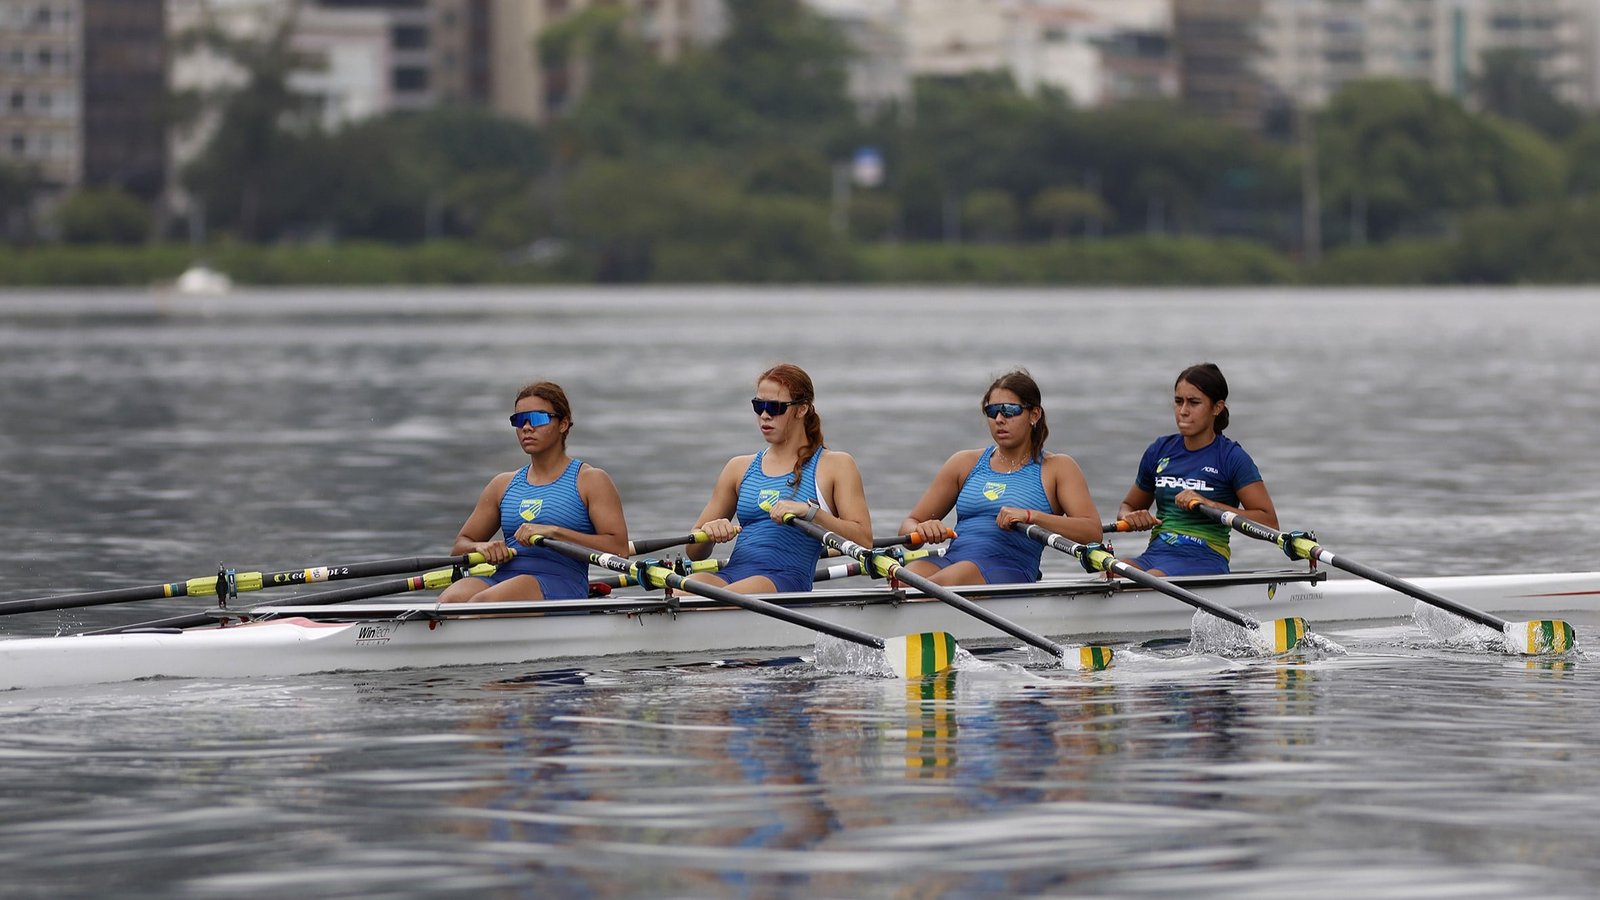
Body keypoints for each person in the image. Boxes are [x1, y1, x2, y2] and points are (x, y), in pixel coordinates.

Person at [898, 370, 1102, 586]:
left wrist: (1031, 516)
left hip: (1009, 568)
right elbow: (908, 526)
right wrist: (921, 529)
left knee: (951, 577)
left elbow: (1092, 532)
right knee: (903, 578)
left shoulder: (1058, 468)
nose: (999, 419)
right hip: (952, 560)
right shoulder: (963, 463)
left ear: (1034, 415)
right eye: (992, 411)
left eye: (1009, 410)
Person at [685, 363, 872, 594]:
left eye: (774, 407)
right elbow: (693, 552)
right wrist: (710, 533)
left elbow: (864, 541)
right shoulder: (738, 468)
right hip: (732, 576)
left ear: (802, 409)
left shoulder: (836, 465)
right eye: (759, 406)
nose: (764, 415)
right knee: (682, 590)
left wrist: (811, 513)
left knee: (719, 597)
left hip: (785, 579)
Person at [440, 381, 629, 602]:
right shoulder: (502, 484)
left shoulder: (590, 480)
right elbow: (460, 547)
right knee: (449, 600)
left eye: (537, 419)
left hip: (561, 582)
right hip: (503, 578)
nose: (527, 428)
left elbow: (619, 550)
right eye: (519, 420)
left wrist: (555, 532)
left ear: (563, 424)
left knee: (483, 603)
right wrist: (481, 547)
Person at [1114, 362, 1278, 576]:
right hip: (1155, 555)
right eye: (1178, 401)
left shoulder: (1232, 458)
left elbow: (1269, 523)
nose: (1183, 411)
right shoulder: (1159, 450)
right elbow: (1126, 507)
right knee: (1111, 574)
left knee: (1141, 581)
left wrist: (1210, 504)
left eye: (1193, 403)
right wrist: (1131, 516)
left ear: (1217, 408)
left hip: (1204, 557)